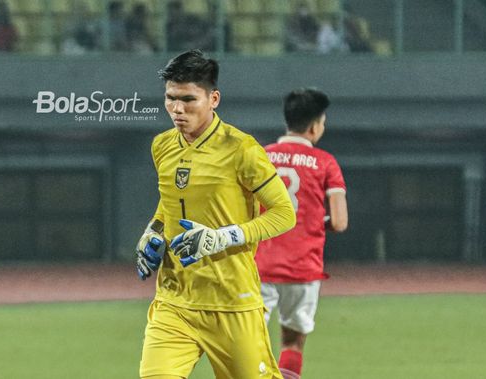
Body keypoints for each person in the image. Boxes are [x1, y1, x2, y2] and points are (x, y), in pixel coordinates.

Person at [135, 50, 296, 379]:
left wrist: (223, 236)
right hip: (174, 301)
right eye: (170, 99)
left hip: (231, 301)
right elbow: (168, 204)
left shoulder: (242, 150)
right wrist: (152, 231)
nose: (177, 109)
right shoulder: (162, 146)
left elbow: (284, 213)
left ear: (214, 99)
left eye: (188, 99)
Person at [254, 88, 348, 379]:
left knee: (248, 344)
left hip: (258, 267)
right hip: (303, 268)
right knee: (292, 342)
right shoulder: (325, 163)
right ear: (314, 127)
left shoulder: (259, 157)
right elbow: (341, 221)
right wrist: (316, 222)